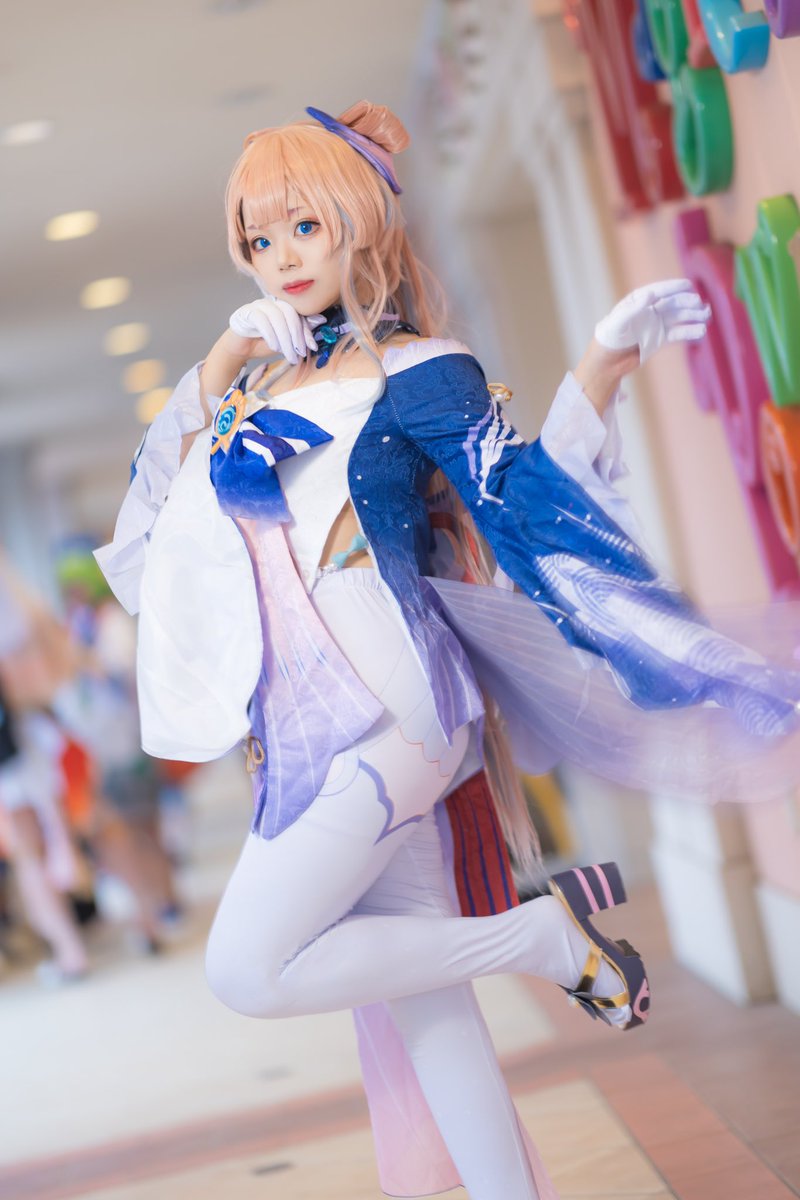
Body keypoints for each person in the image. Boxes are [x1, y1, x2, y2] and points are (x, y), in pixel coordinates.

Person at [96, 102, 800, 1200]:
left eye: (305, 227)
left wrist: (598, 369)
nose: (283, 258)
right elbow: (149, 541)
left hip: (390, 702)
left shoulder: (420, 367)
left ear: (361, 223)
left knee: (246, 966)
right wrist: (225, 355)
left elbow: (514, 501)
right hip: (295, 721)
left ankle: (541, 942)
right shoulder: (249, 387)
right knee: (429, 1007)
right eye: (259, 237)